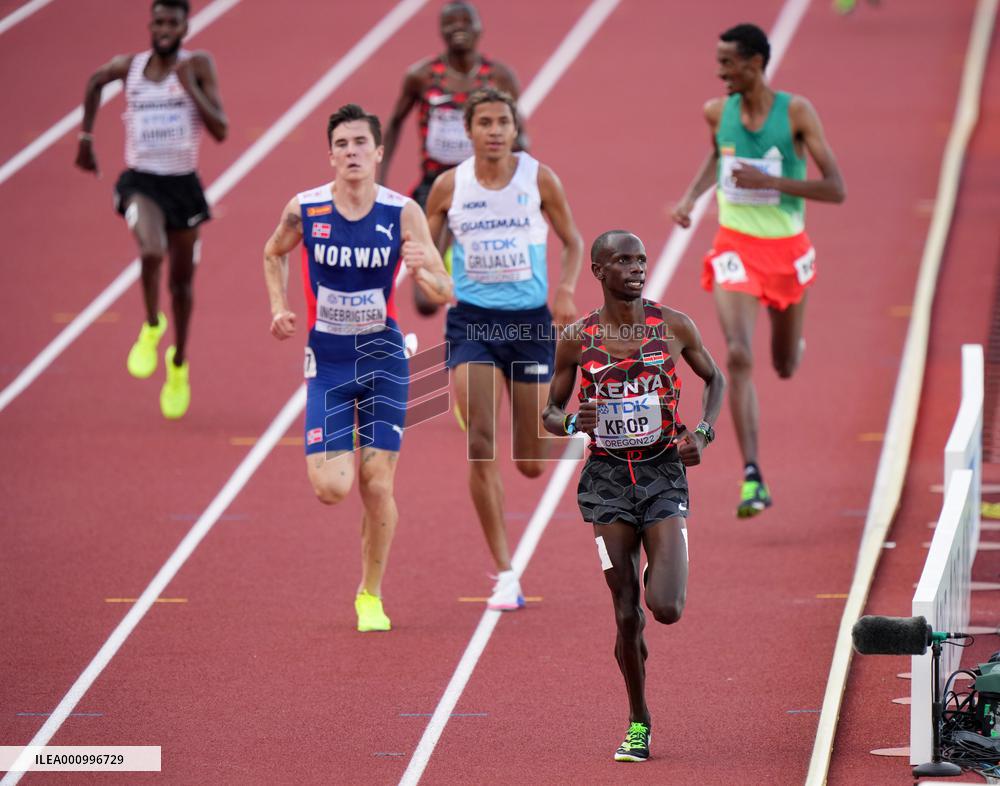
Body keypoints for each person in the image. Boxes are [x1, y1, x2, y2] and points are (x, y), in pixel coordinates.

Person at [262, 104, 452, 632]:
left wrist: (422, 273)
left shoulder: (402, 212)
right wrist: (278, 306)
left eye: (360, 143)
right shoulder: (306, 209)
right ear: (330, 154)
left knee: (377, 479)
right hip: (328, 362)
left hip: (385, 357)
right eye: (342, 144)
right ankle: (367, 558)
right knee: (333, 488)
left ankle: (371, 593)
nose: (352, 152)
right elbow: (272, 252)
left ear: (378, 152)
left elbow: (446, 288)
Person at [542, 230, 725, 762]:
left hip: (663, 472)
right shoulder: (577, 338)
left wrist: (705, 434)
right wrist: (575, 418)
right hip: (606, 483)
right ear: (599, 271)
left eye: (641, 259)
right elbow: (550, 414)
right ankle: (638, 721)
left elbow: (716, 380)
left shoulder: (673, 326)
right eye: (623, 261)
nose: (637, 268)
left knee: (663, 607)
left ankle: (663, 557)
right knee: (626, 614)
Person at [671, 23, 845, 518]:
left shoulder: (796, 112)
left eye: (728, 62)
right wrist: (691, 197)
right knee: (739, 355)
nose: (719, 71)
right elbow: (717, 156)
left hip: (787, 248)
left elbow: (836, 188)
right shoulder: (716, 112)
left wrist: (772, 181)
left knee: (783, 365)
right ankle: (753, 475)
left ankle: (794, 345)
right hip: (735, 247)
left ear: (755, 63)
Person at [425, 87, 582, 610]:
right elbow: (424, 251)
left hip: (530, 325)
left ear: (515, 130)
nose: (494, 130)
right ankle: (505, 572)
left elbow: (574, 240)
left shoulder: (539, 179)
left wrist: (563, 289)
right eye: (485, 122)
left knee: (532, 462)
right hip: (472, 323)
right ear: (468, 131)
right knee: (481, 442)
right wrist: (430, 280)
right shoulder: (449, 186)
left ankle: (574, 431)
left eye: (503, 122)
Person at [75, 0, 227, 419]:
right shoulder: (131, 68)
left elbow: (221, 130)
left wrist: (190, 88)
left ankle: (178, 362)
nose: (163, 29)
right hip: (141, 181)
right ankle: (151, 324)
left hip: (183, 187)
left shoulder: (198, 65)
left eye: (172, 23)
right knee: (150, 250)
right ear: (151, 24)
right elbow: (93, 81)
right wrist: (86, 138)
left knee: (181, 285)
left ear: (184, 26)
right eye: (158, 21)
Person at [380, 0, 524, 317]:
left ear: (479, 30)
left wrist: (513, 183)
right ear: (440, 31)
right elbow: (391, 126)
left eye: (465, 21)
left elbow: (521, 136)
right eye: (450, 22)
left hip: (484, 187)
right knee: (426, 303)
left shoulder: (498, 77)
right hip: (435, 187)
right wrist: (379, 180)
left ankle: (461, 255)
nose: (458, 27)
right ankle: (450, 256)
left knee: (499, 294)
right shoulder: (421, 76)